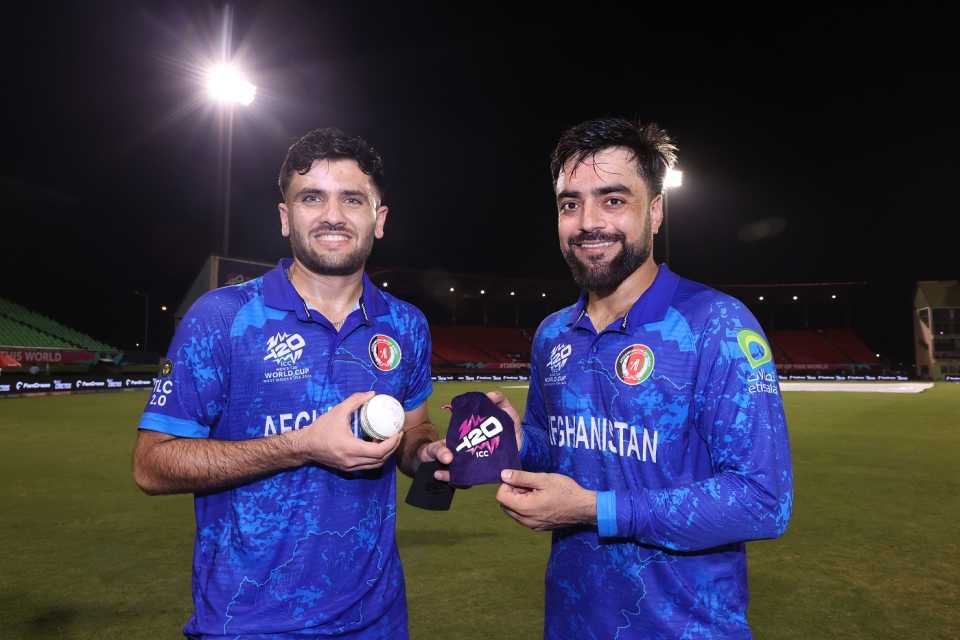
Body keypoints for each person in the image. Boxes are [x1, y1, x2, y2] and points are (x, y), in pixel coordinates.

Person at [132, 127, 452, 639]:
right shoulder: (223, 318)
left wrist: (427, 453)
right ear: (286, 217)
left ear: (380, 219)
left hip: (377, 622)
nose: (332, 215)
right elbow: (152, 464)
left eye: (352, 199)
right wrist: (301, 446)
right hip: (247, 625)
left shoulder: (406, 323)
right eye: (311, 198)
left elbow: (414, 430)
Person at [492, 117, 793, 639]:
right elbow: (559, 452)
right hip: (571, 623)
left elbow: (762, 501)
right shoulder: (552, 335)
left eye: (612, 200)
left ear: (654, 210)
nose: (588, 221)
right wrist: (519, 443)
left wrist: (594, 510)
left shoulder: (715, 324)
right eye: (570, 203)